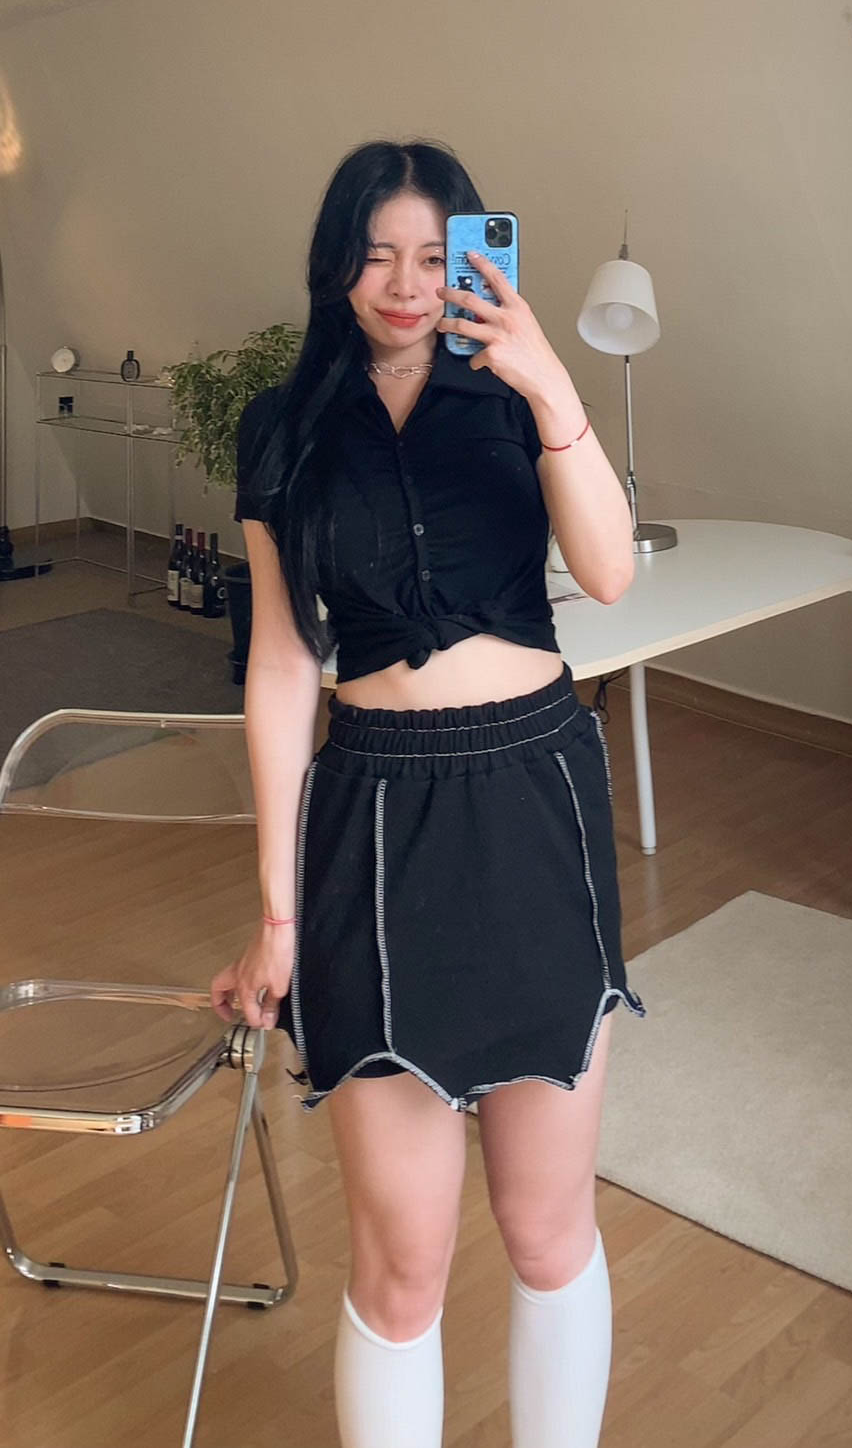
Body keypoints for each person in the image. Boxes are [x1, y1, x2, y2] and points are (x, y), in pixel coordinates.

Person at [210, 138, 646, 1448]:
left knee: (544, 1225)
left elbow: (610, 571)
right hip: (373, 816)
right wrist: (277, 916)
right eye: (375, 255)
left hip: (531, 794)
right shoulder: (284, 426)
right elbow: (283, 664)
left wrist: (548, 378)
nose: (405, 285)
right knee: (402, 1259)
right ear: (335, 264)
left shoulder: (516, 391)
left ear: (470, 258)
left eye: (430, 256)